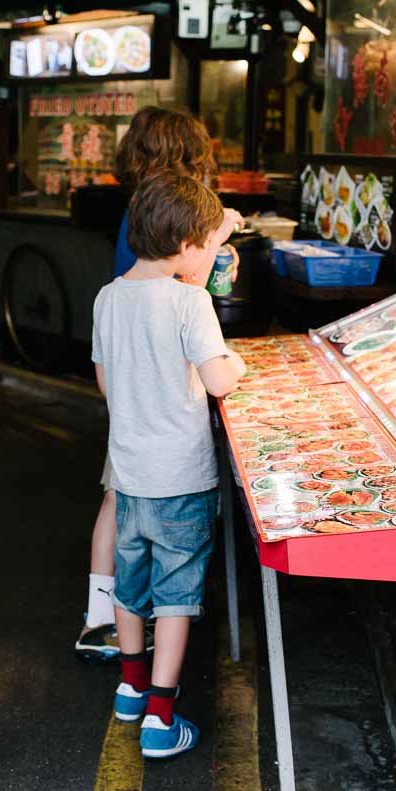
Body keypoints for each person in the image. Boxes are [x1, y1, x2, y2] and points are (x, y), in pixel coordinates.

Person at [75, 105, 238, 662]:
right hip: (159, 424)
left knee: (121, 510)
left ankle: (111, 631)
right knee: (146, 537)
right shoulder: (164, 218)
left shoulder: (138, 213)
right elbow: (191, 284)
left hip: (132, 409)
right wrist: (220, 233)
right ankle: (106, 628)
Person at [91, 171, 245, 759]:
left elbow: (106, 382)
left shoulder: (108, 297)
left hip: (128, 475)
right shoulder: (190, 300)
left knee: (131, 589)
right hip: (180, 478)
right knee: (176, 595)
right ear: (185, 244)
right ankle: (161, 717)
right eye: (208, 242)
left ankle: (130, 687)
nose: (210, 252)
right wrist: (237, 364)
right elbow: (217, 379)